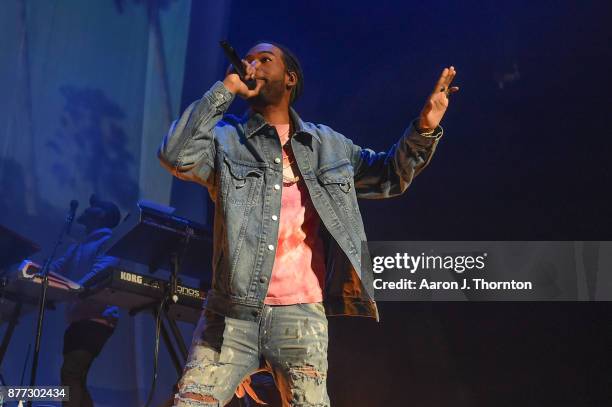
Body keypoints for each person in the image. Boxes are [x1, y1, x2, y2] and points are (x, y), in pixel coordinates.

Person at [158, 41, 458, 407]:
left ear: (290, 79)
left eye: (264, 59)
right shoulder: (226, 140)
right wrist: (226, 90)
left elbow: (389, 176)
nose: (252, 65)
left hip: (301, 317)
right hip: (230, 313)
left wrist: (424, 128)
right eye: (248, 59)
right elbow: (176, 154)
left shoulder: (327, 145)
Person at [51, 194, 121, 407]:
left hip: (97, 319)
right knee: (76, 378)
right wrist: (36, 274)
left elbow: (101, 270)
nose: (86, 209)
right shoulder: (78, 247)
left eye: (94, 207)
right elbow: (56, 268)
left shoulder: (109, 240)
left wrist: (74, 288)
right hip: (78, 318)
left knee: (70, 373)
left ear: (101, 215)